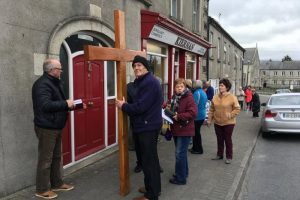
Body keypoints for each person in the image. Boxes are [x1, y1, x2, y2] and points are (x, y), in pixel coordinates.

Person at [32, 59, 84, 199]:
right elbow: (45, 106)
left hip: (56, 125)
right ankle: (42, 189)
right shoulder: (42, 85)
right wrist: (65, 103)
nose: (61, 71)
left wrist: (71, 105)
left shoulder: (54, 82)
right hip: (47, 127)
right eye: (59, 68)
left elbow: (57, 104)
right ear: (52, 70)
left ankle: (57, 183)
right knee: (46, 159)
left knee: (56, 157)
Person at [116, 55, 162, 200]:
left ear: (146, 67)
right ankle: (153, 187)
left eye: (139, 65)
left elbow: (141, 107)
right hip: (145, 125)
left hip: (147, 127)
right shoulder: (141, 81)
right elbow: (138, 98)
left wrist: (123, 105)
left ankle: (151, 195)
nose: (136, 68)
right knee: (150, 160)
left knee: (149, 161)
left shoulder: (149, 82)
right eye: (134, 66)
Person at [168, 78, 197, 185]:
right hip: (176, 129)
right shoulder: (174, 97)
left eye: (181, 86)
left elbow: (193, 113)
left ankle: (180, 178)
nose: (179, 88)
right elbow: (170, 107)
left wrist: (178, 116)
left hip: (185, 129)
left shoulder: (189, 97)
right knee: (182, 154)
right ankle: (183, 173)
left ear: (185, 87)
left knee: (179, 154)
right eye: (177, 87)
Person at [207, 78, 240, 164]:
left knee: (227, 139)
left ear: (227, 87)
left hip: (229, 123)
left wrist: (230, 115)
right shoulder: (215, 97)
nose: (220, 87)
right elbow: (211, 109)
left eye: (222, 85)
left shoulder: (232, 97)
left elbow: (237, 109)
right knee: (219, 139)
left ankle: (229, 156)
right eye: (220, 85)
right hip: (217, 122)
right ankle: (219, 154)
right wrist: (209, 120)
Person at [189, 80, 208, 154]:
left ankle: (199, 149)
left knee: (196, 133)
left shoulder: (197, 93)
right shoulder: (203, 92)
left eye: (194, 84)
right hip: (202, 115)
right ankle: (194, 147)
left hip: (197, 116)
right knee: (196, 133)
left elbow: (194, 105)